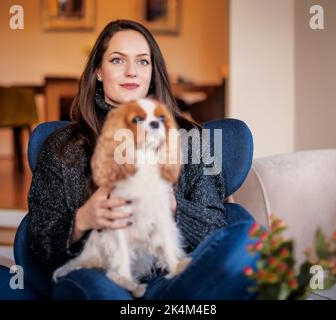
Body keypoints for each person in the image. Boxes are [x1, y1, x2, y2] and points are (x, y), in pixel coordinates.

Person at [28, 19, 258, 300]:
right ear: (98, 71)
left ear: (153, 71)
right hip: (103, 281)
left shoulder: (190, 138)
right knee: (88, 284)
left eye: (142, 62)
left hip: (175, 283)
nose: (131, 72)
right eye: (117, 60)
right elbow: (39, 242)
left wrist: (174, 207)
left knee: (247, 237)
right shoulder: (62, 146)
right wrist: (83, 219)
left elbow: (215, 228)